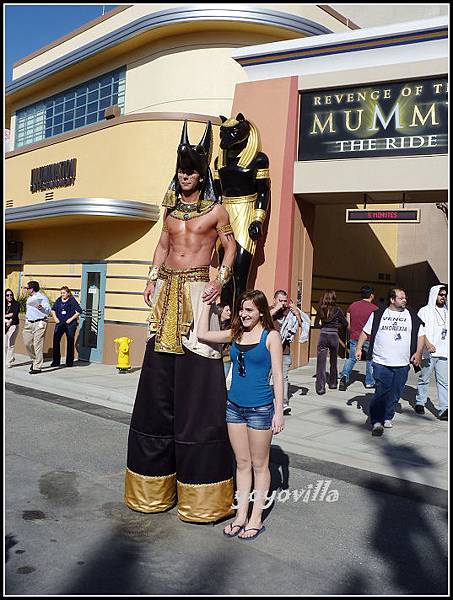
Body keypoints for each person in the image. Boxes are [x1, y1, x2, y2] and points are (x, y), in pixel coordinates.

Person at [124, 120, 237, 523]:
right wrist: (151, 279)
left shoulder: (217, 210)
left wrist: (219, 280)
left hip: (196, 294)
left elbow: (230, 249)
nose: (186, 175)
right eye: (181, 169)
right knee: (158, 382)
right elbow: (161, 246)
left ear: (201, 172)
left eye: (192, 169)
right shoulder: (169, 210)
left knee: (197, 379)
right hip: (167, 291)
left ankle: (201, 492)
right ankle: (154, 482)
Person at [198, 290, 284, 540]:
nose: (244, 314)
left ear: (260, 312)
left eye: (249, 310)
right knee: (242, 463)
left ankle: (256, 518)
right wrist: (208, 305)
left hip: (260, 409)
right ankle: (240, 516)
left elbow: (278, 376)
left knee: (260, 465)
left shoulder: (271, 337)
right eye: (242, 309)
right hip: (234, 407)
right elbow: (203, 335)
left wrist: (279, 412)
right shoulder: (235, 334)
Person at [355, 287, 425, 436]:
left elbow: (421, 335)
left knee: (395, 393)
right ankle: (377, 421)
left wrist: (418, 353)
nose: (404, 300)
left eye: (405, 297)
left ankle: (387, 416)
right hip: (381, 361)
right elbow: (365, 332)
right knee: (381, 391)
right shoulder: (379, 314)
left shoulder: (412, 315)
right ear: (392, 300)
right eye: (401, 298)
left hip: (402, 363)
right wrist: (359, 348)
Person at [414, 285, 448, 420]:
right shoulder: (425, 311)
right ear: (434, 294)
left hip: (444, 352)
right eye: (441, 294)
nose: (443, 297)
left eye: (445, 295)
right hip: (429, 352)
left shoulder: (447, 311)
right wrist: (427, 344)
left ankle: (444, 408)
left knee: (444, 382)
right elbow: (419, 330)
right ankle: (420, 402)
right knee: (424, 378)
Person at [269, 289, 302, 414]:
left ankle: (283, 403)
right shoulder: (269, 309)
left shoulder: (289, 312)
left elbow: (301, 325)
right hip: (268, 351)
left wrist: (297, 313)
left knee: (283, 378)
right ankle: (263, 401)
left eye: (284, 301)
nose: (283, 303)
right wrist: (276, 308)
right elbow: (264, 318)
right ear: (275, 300)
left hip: (284, 351)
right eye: (280, 300)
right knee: (265, 377)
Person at [339, 285, 378, 391]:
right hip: (368, 338)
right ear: (371, 295)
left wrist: (352, 332)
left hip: (354, 336)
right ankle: (369, 382)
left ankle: (344, 377)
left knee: (351, 358)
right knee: (370, 360)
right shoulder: (375, 309)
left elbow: (348, 323)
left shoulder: (352, 306)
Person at [314, 290, 348, 395]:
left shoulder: (320, 308)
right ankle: (333, 383)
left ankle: (320, 388)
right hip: (334, 335)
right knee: (333, 361)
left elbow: (316, 324)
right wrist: (337, 327)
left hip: (323, 335)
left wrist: (323, 326)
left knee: (321, 363)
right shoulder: (337, 310)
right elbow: (345, 323)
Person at [22, 281, 51, 374]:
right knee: (27, 343)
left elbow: (48, 310)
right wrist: (26, 320)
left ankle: (37, 366)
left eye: (27, 288)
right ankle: (34, 360)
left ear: (32, 289)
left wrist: (41, 308)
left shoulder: (42, 297)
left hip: (40, 322)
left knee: (37, 344)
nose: (26, 290)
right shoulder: (29, 298)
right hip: (29, 323)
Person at [50, 286, 82, 368]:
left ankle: (69, 362)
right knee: (56, 340)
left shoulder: (72, 300)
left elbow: (79, 311)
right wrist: (55, 318)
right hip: (60, 323)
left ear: (68, 293)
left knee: (70, 341)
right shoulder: (58, 300)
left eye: (64, 293)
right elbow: (53, 310)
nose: (62, 294)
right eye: (61, 293)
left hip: (70, 324)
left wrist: (71, 319)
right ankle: (56, 361)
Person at [5, 289, 20, 368]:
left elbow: (14, 314)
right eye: (7, 295)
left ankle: (8, 361)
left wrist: (10, 320)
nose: (9, 296)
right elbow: (10, 314)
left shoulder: (16, 304)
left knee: (10, 344)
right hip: (5, 325)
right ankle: (11, 357)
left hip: (13, 325)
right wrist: (7, 315)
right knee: (5, 345)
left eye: (11, 295)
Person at [217, 302, 232, 378]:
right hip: (215, 357)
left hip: (226, 359)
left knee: (222, 380)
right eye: (227, 310)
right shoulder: (214, 325)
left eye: (229, 310)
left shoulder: (230, 326)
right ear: (220, 311)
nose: (230, 312)